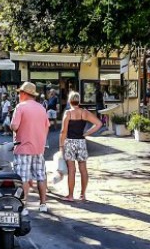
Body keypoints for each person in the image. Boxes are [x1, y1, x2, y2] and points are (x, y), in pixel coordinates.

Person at [11, 82, 50, 213]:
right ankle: (43, 204)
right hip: (39, 148)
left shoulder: (20, 107)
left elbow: (14, 126)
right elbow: (47, 126)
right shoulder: (41, 108)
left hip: (23, 147)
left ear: (24, 94)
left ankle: (24, 206)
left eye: (19, 93)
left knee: (23, 178)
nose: (19, 95)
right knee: (41, 176)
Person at [59, 92, 103, 202]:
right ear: (79, 101)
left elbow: (64, 131)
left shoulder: (68, 113)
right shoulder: (85, 112)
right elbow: (99, 124)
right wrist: (87, 133)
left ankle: (70, 196)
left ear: (69, 101)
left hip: (70, 142)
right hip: (81, 142)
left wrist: (61, 145)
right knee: (83, 169)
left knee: (72, 170)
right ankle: (83, 195)